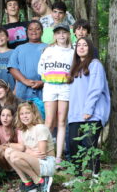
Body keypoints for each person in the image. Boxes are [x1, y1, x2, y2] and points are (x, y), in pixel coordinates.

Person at [67, 37, 110, 176]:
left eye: (85, 45)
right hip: (75, 114)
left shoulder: (95, 64)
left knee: (89, 144)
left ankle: (95, 177)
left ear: (90, 48)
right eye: (78, 45)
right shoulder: (74, 67)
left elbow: (96, 88)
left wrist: (88, 110)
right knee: (73, 145)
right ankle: (78, 176)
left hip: (93, 112)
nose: (81, 47)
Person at [38, 24, 74, 166]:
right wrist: (49, 78)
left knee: (61, 122)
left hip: (65, 88)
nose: (61, 35)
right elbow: (40, 69)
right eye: (58, 33)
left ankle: (58, 157)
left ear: (68, 35)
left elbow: (75, 71)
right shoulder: (48, 50)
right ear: (54, 35)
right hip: (50, 87)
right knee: (49, 121)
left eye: (64, 33)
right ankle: (44, 154)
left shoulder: (73, 52)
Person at [4, 102, 55, 192]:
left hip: (47, 164)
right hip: (36, 162)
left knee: (14, 155)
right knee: (8, 152)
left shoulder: (40, 128)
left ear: (34, 114)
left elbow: (41, 154)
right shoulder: (24, 131)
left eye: (27, 113)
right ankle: (28, 183)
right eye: (22, 114)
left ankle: (41, 180)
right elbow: (26, 150)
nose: (25, 116)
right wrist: (29, 152)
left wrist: (28, 151)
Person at [8, 20, 47, 101]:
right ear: (26, 32)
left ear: (42, 32)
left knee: (42, 113)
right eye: (31, 29)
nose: (34, 31)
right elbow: (12, 67)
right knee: (23, 113)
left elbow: (55, 69)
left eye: (37, 29)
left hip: (44, 91)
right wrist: (24, 80)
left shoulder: (49, 48)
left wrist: (43, 82)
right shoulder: (19, 48)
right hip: (23, 91)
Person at [0, 106, 21, 170]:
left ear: (13, 117)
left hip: (16, 155)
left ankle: (16, 170)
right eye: (3, 115)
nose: (5, 118)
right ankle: (7, 171)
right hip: (4, 158)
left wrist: (7, 147)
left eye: (8, 116)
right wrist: (6, 148)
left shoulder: (17, 129)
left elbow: (21, 147)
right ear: (0, 117)